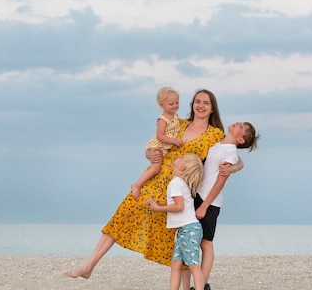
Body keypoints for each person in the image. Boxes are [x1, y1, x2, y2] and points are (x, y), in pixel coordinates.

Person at [67, 89, 242, 279]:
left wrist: (235, 168)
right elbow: (154, 145)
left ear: (212, 109)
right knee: (121, 217)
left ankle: (188, 288)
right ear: (192, 105)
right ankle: (89, 266)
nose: (200, 105)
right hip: (154, 180)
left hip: (179, 188)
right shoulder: (178, 123)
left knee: (177, 236)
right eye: (197, 101)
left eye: (206, 103)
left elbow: (234, 154)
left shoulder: (215, 134)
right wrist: (149, 154)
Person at [181, 121, 260, 290]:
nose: (237, 123)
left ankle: (201, 284)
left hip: (210, 201)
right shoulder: (218, 144)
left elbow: (221, 181)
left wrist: (204, 205)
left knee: (206, 243)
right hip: (198, 194)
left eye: (242, 127)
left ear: (240, 139)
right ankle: (201, 285)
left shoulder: (230, 152)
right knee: (195, 241)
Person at [146, 154, 205, 290]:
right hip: (184, 229)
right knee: (176, 265)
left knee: (193, 265)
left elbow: (179, 207)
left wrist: (158, 208)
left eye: (181, 157)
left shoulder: (176, 183)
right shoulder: (180, 183)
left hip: (189, 229)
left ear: (182, 167)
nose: (178, 156)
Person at [131, 87, 184, 201]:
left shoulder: (175, 116)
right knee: (155, 169)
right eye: (171, 104)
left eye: (177, 102)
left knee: (157, 170)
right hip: (156, 147)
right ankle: (137, 185)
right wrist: (174, 141)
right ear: (162, 105)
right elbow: (160, 136)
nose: (175, 105)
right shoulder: (163, 119)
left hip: (163, 148)